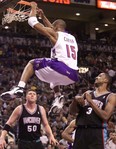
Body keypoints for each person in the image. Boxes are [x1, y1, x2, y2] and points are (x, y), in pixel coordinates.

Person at [0, 2, 78, 114]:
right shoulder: (71, 37)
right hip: (72, 75)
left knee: (32, 63)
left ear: (55, 28)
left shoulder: (56, 34)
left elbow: (32, 22)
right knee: (53, 79)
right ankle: (58, 96)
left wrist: (33, 8)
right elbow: (52, 28)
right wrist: (43, 16)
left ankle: (19, 88)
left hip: (61, 68)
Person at [69, 72, 116, 149]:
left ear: (106, 80)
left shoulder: (111, 96)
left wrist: (90, 101)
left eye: (100, 76)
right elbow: (72, 112)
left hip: (97, 131)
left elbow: (106, 116)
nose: (96, 77)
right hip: (80, 130)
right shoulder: (88, 93)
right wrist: (75, 101)